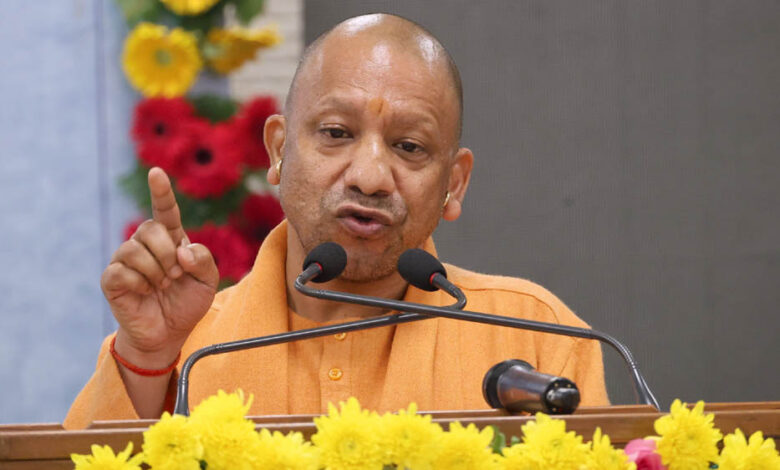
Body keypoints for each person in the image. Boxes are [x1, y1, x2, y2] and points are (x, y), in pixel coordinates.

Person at [65, 13, 608, 428]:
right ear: (278, 150)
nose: (370, 177)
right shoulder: (186, 342)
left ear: (455, 182)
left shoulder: (532, 339)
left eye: (409, 146)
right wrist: (147, 358)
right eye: (336, 133)